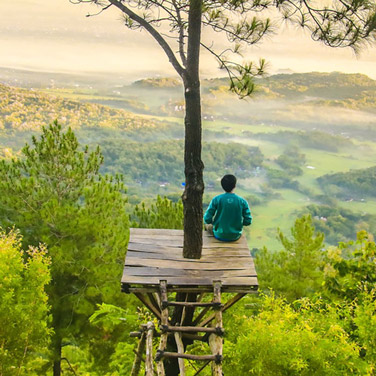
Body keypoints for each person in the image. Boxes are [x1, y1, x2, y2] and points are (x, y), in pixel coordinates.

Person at [203, 174, 252, 241]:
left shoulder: (216, 199)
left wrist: (214, 224)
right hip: (235, 236)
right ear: (234, 186)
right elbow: (248, 221)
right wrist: (238, 224)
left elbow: (207, 218)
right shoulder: (242, 201)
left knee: (207, 225)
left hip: (219, 235)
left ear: (222, 186)